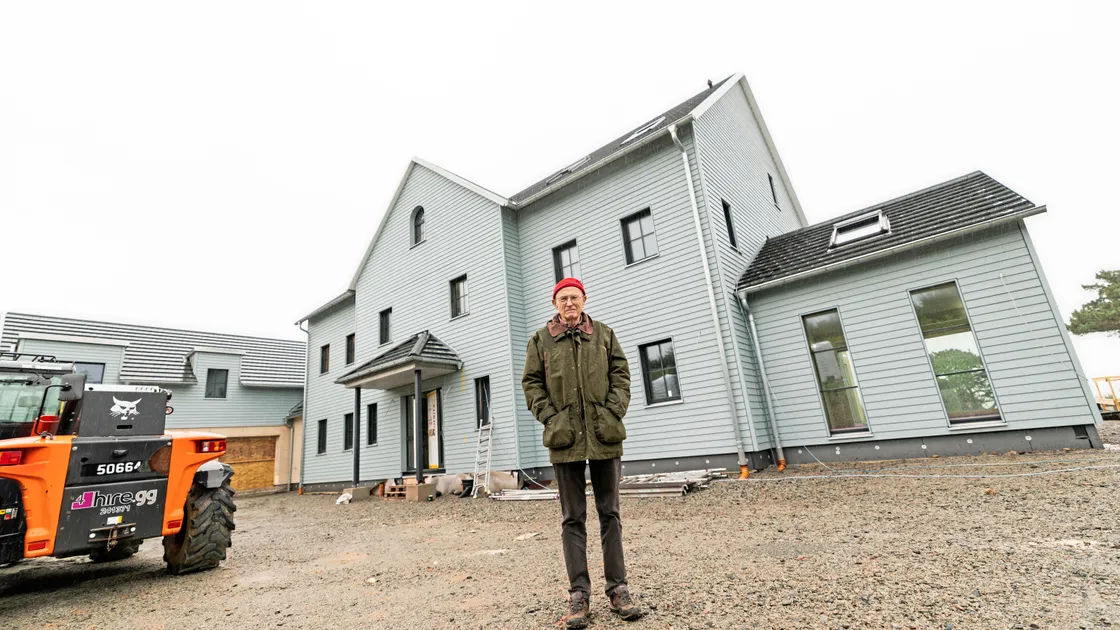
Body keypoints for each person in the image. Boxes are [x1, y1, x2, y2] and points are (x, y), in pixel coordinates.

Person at [522, 277, 644, 628]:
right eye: (563, 299)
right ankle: (579, 595)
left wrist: (612, 411)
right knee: (572, 518)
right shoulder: (540, 340)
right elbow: (531, 383)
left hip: (604, 435)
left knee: (610, 513)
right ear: (555, 304)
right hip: (565, 439)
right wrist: (551, 418)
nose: (569, 303)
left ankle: (618, 589)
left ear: (584, 299)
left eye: (574, 297)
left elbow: (621, 374)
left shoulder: (604, 334)